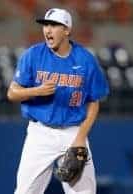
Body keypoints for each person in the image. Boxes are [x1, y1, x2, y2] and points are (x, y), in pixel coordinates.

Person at [7, 8, 109, 194]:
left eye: (54, 25)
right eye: (45, 25)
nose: (47, 30)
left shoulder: (85, 60)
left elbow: (94, 102)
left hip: (73, 132)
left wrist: (80, 138)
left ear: (67, 30)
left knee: (85, 193)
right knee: (25, 191)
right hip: (40, 133)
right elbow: (12, 93)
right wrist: (36, 90)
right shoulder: (33, 55)